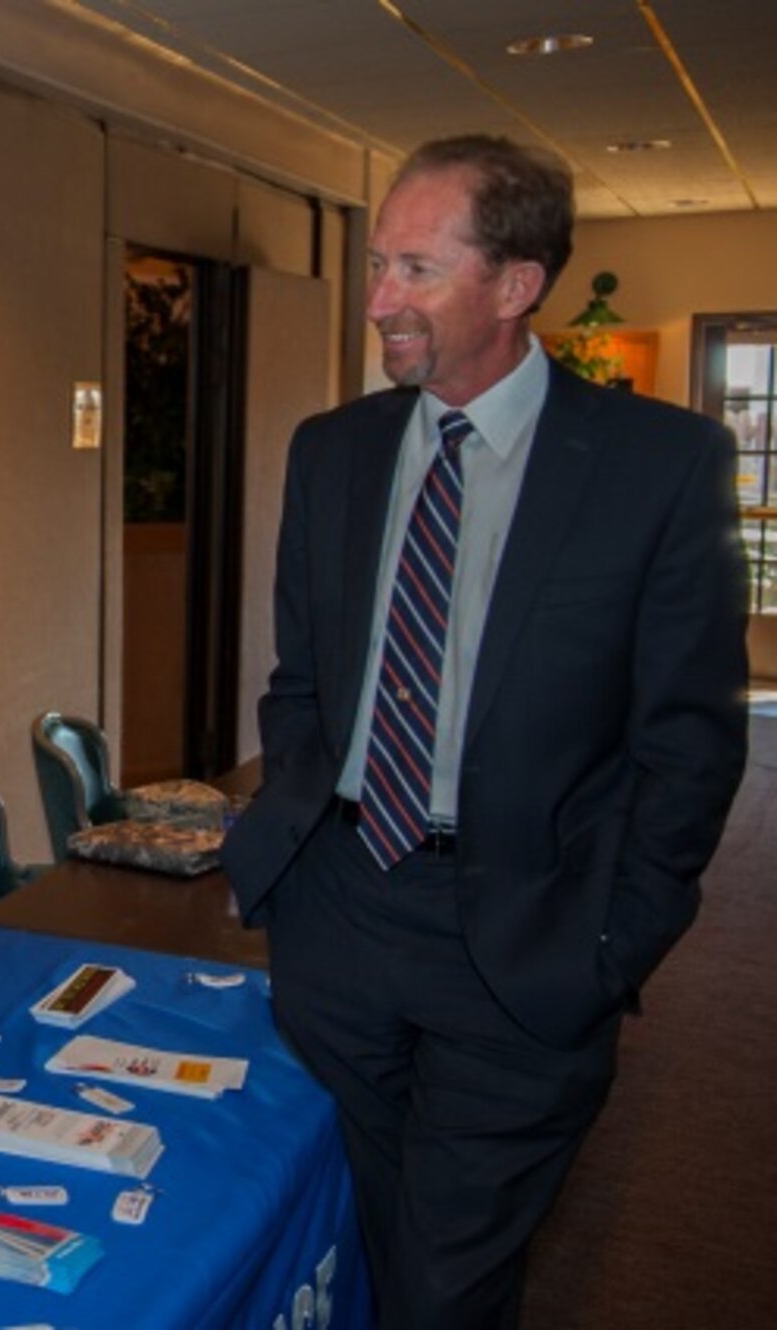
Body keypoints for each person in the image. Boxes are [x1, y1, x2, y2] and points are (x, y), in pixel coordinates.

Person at [220, 135, 747, 1329]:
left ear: (515, 285)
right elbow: (298, 680)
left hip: (527, 939)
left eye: (414, 268)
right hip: (338, 920)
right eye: (374, 265)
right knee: (369, 1224)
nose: (375, 302)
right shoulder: (331, 451)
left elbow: (691, 742)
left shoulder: (658, 466)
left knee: (448, 1276)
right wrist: (297, 869)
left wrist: (614, 941)